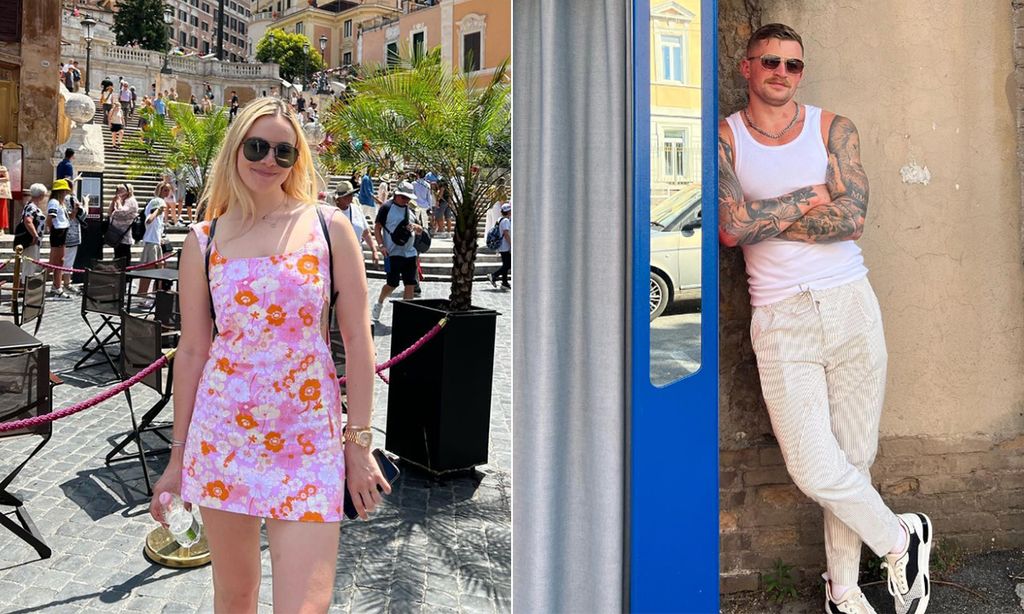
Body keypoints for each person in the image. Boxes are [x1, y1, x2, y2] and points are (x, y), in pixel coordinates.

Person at [718, 23, 932, 614]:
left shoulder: (834, 129)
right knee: (813, 463)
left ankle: (843, 592)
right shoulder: (725, 137)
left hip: (850, 303)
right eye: (769, 62)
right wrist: (808, 198)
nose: (781, 74)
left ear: (801, 72)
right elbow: (731, 228)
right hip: (782, 314)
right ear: (747, 68)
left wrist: (768, 213)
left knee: (854, 455)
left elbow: (851, 220)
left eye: (792, 65)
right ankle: (899, 539)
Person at [147, 97, 387, 613]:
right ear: (235, 149)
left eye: (284, 151)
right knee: (234, 598)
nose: (269, 160)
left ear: (298, 158)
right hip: (223, 437)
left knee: (306, 605)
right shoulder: (203, 239)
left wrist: (359, 442)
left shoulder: (328, 226)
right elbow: (192, 351)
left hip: (309, 441)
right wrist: (177, 458)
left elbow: (358, 342)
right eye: (257, 146)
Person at [370, 181, 424, 322]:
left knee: (410, 283)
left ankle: (406, 315)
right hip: (393, 253)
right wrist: (381, 245)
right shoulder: (386, 208)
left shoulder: (411, 209)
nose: (406, 200)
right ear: (397, 194)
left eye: (408, 198)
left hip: (410, 253)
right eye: (404, 197)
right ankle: (380, 301)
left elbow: (420, 229)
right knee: (392, 284)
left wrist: (417, 228)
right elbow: (377, 228)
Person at [333, 180, 379, 266]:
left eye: (351, 195)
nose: (349, 198)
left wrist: (374, 250)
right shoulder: (331, 212)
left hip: (356, 255)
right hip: (337, 258)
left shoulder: (356, 209)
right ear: (338, 198)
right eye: (346, 196)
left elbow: (365, 233)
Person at [136, 190, 167, 309]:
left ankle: (154, 296)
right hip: (150, 245)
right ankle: (145, 297)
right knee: (148, 272)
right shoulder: (151, 215)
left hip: (156, 244)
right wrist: (156, 212)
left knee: (159, 271)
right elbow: (148, 220)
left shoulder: (159, 220)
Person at [45, 179, 72, 298]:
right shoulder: (54, 202)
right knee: (56, 262)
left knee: (59, 261)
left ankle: (56, 285)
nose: (67, 192)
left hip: (62, 231)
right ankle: (56, 286)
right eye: (65, 190)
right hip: (58, 232)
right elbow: (50, 219)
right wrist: (53, 231)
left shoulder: (61, 203)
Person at [21, 185, 48, 280]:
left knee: (30, 265)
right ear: (41, 195)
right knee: (29, 265)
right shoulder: (32, 207)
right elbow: (28, 220)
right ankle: (24, 289)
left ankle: (24, 287)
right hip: (31, 241)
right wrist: (35, 236)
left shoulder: (31, 205)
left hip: (33, 241)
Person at [108, 183, 138, 263]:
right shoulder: (120, 200)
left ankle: (125, 273)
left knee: (124, 257)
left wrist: (118, 202)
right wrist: (113, 201)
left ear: (128, 191)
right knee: (117, 256)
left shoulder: (131, 201)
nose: (119, 191)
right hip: (116, 234)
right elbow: (110, 213)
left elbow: (121, 212)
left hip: (124, 235)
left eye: (122, 189)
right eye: (117, 189)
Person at [63, 191, 85, 294]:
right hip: (72, 234)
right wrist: (86, 203)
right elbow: (81, 214)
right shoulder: (71, 198)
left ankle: (61, 283)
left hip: (64, 233)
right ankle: (66, 284)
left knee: (64, 260)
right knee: (68, 260)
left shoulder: (62, 199)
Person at [489, 203, 511, 290]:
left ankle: (504, 282)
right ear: (508, 211)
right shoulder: (505, 221)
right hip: (505, 246)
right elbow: (506, 234)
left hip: (501, 245)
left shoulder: (500, 219)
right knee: (508, 265)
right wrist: (511, 244)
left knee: (505, 264)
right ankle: (494, 275)